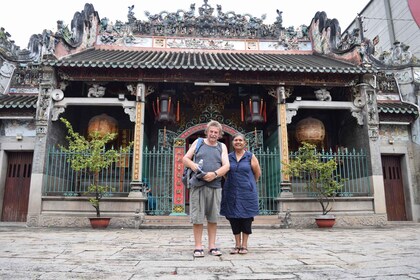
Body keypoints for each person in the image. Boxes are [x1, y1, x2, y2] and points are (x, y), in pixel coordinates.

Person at [182, 120, 230, 258]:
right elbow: (185, 159)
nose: (213, 134)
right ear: (206, 132)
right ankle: (198, 246)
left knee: (213, 218)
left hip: (215, 186)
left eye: (216, 132)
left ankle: (212, 246)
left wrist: (214, 174)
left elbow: (226, 166)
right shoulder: (198, 143)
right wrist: (194, 166)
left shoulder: (222, 146)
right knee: (197, 217)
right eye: (211, 131)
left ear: (220, 134)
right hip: (198, 185)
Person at [220, 133, 261, 255]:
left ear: (245, 143)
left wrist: (250, 183)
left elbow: (257, 172)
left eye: (240, 140)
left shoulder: (250, 156)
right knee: (233, 217)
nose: (238, 142)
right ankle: (237, 244)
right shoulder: (228, 157)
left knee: (246, 217)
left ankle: (244, 245)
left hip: (247, 191)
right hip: (231, 190)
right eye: (235, 140)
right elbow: (224, 171)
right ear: (232, 143)